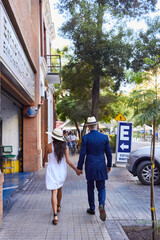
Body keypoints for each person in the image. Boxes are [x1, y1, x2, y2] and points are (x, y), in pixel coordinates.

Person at [43, 128, 82, 225]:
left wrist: (43, 163)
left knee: (53, 191)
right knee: (59, 188)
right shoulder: (65, 146)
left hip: (52, 170)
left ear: (53, 137)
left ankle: (55, 215)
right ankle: (59, 205)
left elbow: (44, 158)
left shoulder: (48, 146)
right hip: (61, 170)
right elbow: (68, 161)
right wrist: (76, 170)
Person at [77, 116, 112, 221]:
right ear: (96, 125)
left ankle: (92, 208)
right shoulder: (104, 137)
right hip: (101, 165)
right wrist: (109, 165)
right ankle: (101, 204)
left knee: (90, 187)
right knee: (101, 187)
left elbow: (82, 154)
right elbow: (109, 153)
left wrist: (79, 168)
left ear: (88, 127)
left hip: (90, 166)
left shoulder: (86, 138)